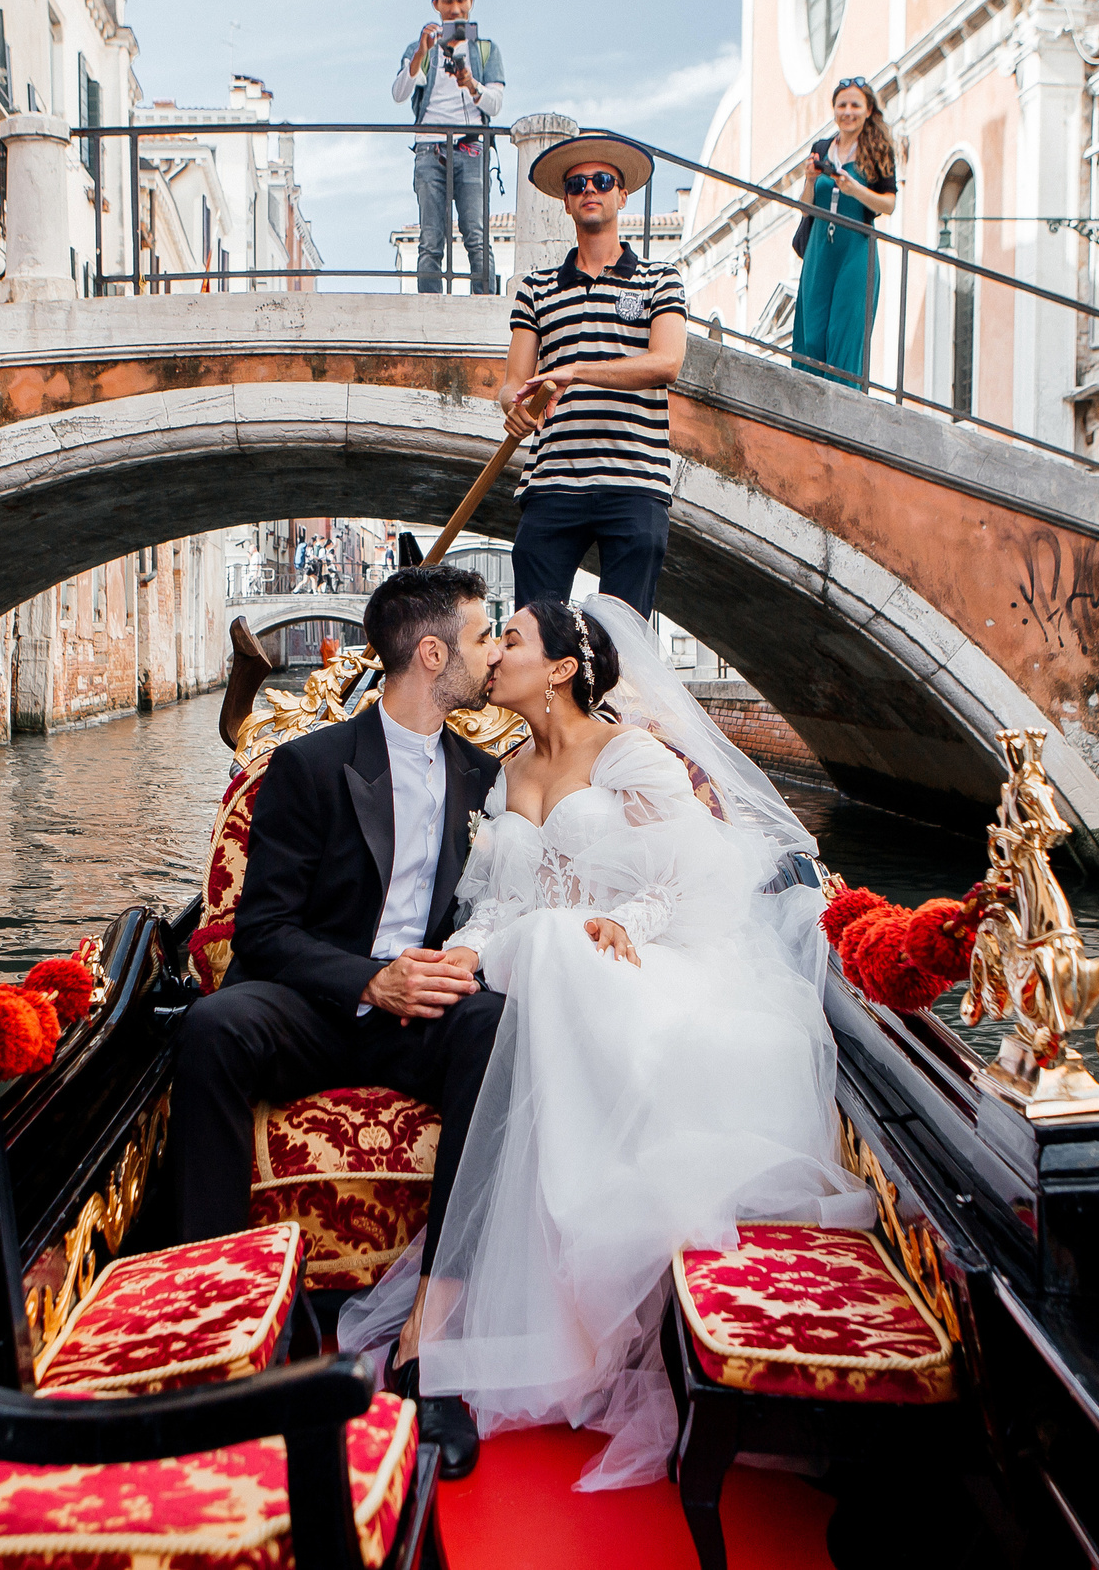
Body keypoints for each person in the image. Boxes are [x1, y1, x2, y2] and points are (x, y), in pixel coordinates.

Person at [339, 594, 869, 1490]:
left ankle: (561, 1291)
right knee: (528, 956)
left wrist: (629, 921)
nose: (493, 653)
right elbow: (500, 904)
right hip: (536, 958)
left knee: (554, 947)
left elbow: (697, 871)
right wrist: (457, 954)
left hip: (627, 956)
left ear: (558, 668)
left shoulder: (629, 754)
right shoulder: (505, 771)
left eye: (509, 639)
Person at [171, 564, 508, 1479]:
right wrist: (372, 980)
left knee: (496, 1027)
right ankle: (222, 1323)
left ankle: (429, 1342)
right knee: (211, 1029)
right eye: (482, 636)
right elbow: (264, 931)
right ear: (431, 653)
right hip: (320, 1005)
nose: (491, 653)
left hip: (420, 1015)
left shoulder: (484, 776)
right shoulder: (310, 764)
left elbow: (493, 906)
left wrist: (448, 968)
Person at [502, 133, 688, 617]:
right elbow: (512, 383)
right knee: (534, 631)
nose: (590, 189)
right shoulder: (536, 289)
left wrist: (577, 371)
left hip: (636, 479)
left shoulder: (659, 279)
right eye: (577, 183)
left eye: (602, 181)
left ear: (621, 195)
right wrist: (514, 407)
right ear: (566, 201)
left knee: (623, 640)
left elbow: (666, 363)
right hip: (553, 480)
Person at [393, 0, 506, 295]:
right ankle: (429, 311)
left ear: (471, 2)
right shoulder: (420, 49)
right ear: (436, 5)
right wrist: (421, 53)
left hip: (472, 148)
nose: (455, 8)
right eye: (447, 1)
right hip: (429, 148)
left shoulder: (486, 50)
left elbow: (495, 105)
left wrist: (471, 83)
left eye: (461, 0)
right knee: (430, 240)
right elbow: (399, 94)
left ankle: (484, 308)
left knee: (477, 237)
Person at [791, 77, 897, 384]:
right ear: (834, 109)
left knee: (844, 335)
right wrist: (810, 179)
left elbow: (889, 204)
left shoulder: (878, 151)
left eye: (855, 105)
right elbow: (806, 208)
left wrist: (855, 190)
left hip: (855, 250)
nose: (847, 112)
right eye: (842, 105)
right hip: (819, 251)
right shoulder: (822, 148)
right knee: (811, 337)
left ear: (868, 110)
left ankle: (842, 403)